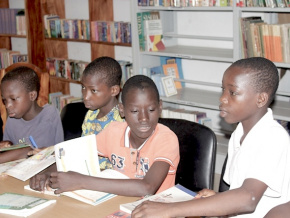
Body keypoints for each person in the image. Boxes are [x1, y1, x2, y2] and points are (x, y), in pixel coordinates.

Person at [132, 57, 290, 217]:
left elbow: (249, 198)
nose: (222, 98)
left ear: (261, 99)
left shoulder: (273, 138)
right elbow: (241, 190)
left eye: (233, 92)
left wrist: (170, 210)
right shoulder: (240, 132)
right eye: (223, 90)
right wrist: (218, 199)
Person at [30, 75, 180, 196]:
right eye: (134, 111)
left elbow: (147, 188)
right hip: (117, 206)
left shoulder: (166, 139)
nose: (143, 118)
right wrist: (47, 172)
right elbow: (75, 155)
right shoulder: (113, 132)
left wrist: (81, 181)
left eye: (151, 110)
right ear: (122, 110)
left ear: (160, 107)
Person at [0, 66, 64, 164]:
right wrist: (7, 145)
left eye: (13, 99)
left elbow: (57, 153)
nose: (7, 105)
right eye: (5, 100)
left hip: (45, 169)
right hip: (20, 170)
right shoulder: (12, 119)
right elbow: (10, 150)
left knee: (26, 151)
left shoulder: (49, 115)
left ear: (32, 96)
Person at [80, 56, 124, 169]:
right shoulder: (91, 113)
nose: (85, 96)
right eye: (83, 88)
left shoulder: (120, 122)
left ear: (114, 90)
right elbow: (83, 148)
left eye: (93, 90)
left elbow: (116, 167)